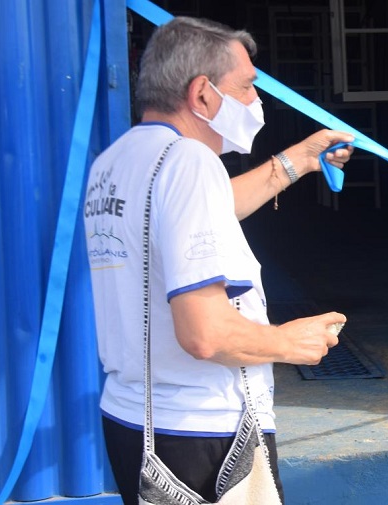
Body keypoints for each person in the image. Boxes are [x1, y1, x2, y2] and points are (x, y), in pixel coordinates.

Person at [83, 16, 354, 505]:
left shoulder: (118, 162)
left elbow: (204, 213)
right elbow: (204, 335)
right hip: (201, 435)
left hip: (135, 419)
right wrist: (288, 342)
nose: (256, 103)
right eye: (248, 87)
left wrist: (300, 159)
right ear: (203, 94)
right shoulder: (189, 162)